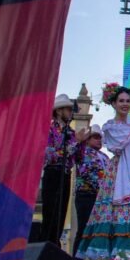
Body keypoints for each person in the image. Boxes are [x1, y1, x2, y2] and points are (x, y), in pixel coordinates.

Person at [76, 86, 130, 259]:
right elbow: (118, 145)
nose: (125, 104)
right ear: (114, 104)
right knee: (114, 213)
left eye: (128, 101)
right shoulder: (110, 127)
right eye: (121, 101)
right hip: (118, 175)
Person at [41, 94, 89, 246]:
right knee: (50, 212)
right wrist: (77, 142)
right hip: (52, 172)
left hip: (66, 174)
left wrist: (81, 143)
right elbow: (50, 156)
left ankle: (55, 244)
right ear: (59, 111)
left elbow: (79, 158)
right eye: (68, 109)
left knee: (61, 211)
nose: (70, 113)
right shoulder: (49, 130)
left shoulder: (71, 133)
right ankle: (46, 244)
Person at [72, 125, 108, 256]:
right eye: (95, 137)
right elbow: (84, 170)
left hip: (101, 198)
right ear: (87, 139)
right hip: (86, 195)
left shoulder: (104, 156)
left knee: (98, 230)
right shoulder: (83, 152)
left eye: (100, 138)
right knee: (84, 228)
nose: (99, 140)